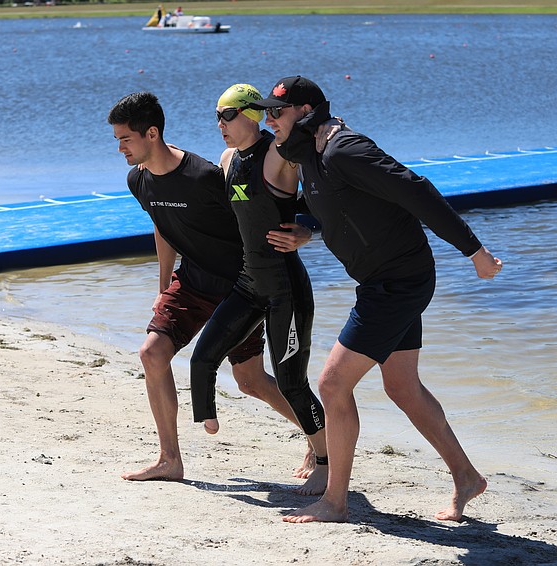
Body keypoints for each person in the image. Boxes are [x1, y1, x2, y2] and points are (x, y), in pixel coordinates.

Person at [248, 76, 503, 523]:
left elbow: (416, 191)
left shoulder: (346, 149)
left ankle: (335, 501)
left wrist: (474, 251)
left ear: (305, 113)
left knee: (331, 384)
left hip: (397, 282)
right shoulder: (311, 155)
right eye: (266, 113)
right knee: (401, 385)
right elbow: (346, 209)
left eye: (276, 112)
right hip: (385, 279)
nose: (268, 122)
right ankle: (467, 477)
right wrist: (310, 230)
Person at [107, 92, 317, 482]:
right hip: (191, 281)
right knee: (152, 354)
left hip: (237, 285)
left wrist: (302, 232)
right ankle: (169, 459)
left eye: (125, 139)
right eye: (117, 140)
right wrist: (164, 281)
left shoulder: (204, 176)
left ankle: (315, 435)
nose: (119, 148)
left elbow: (256, 213)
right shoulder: (138, 179)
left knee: (251, 381)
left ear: (151, 133)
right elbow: (162, 226)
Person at [188, 84, 328, 494]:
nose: (220, 125)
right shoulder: (229, 159)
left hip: (286, 288)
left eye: (227, 115)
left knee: (292, 383)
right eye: (216, 115)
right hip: (250, 284)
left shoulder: (281, 153)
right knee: (202, 359)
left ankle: (326, 459)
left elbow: (325, 198)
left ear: (251, 115)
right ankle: (208, 421)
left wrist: (309, 229)